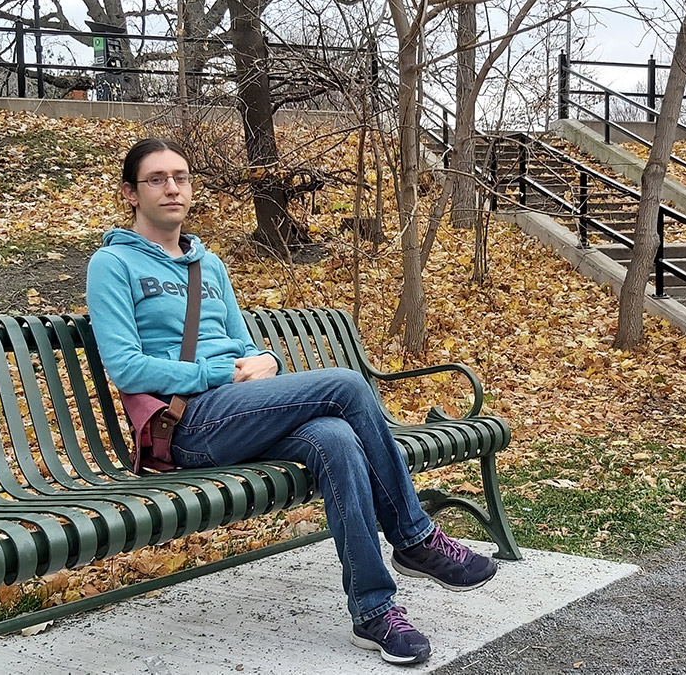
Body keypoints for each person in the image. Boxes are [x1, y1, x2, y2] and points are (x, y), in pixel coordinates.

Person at [86, 138, 498, 665]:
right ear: (131, 193)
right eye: (157, 179)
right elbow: (125, 366)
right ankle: (414, 536)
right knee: (347, 385)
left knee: (337, 437)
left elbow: (245, 341)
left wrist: (268, 362)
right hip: (190, 422)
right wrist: (218, 371)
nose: (172, 187)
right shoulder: (112, 263)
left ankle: (373, 610)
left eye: (181, 177)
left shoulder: (207, 266)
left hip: (245, 405)